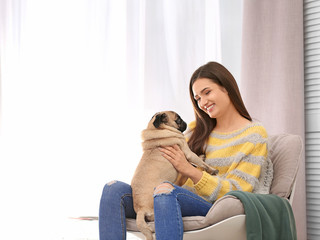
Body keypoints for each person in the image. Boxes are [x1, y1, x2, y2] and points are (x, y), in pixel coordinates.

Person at [99, 61, 271, 240]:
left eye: (207, 92)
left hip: (212, 205)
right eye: (197, 98)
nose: (203, 102)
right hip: (166, 197)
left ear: (226, 87)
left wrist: (190, 171)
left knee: (165, 192)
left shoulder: (254, 135)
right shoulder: (196, 130)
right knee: (113, 190)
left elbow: (238, 191)